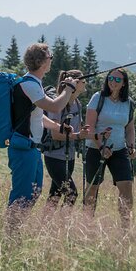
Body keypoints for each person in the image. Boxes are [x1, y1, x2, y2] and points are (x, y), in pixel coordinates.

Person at [6, 43, 78, 234]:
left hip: (33, 148)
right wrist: (69, 89)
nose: (52, 59)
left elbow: (37, 115)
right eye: (50, 56)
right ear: (41, 61)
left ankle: (15, 231)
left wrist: (58, 126)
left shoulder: (34, 84)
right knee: (22, 195)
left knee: (34, 193)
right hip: (24, 148)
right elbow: (54, 106)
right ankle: (11, 235)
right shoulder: (29, 83)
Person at [84, 68, 136, 229]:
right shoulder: (98, 98)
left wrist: (131, 147)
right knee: (92, 187)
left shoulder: (129, 103)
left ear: (124, 84)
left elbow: (129, 129)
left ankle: (125, 228)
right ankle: (86, 227)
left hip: (119, 149)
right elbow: (90, 127)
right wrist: (101, 147)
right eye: (110, 78)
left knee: (126, 187)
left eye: (117, 80)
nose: (112, 82)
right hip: (95, 148)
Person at [43, 70, 90, 209]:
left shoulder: (77, 103)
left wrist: (94, 135)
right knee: (72, 194)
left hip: (69, 157)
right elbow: (55, 134)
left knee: (55, 194)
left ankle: (44, 226)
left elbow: (77, 131)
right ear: (75, 83)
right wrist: (76, 136)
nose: (85, 83)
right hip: (54, 157)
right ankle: (62, 226)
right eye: (83, 81)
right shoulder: (58, 103)